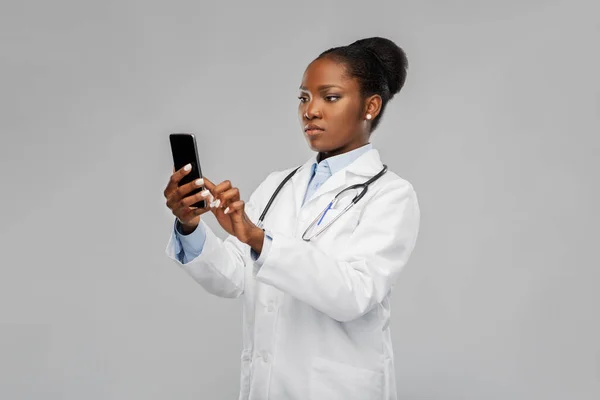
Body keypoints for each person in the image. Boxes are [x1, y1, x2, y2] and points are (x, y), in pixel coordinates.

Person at [163, 36, 420, 400]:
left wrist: (259, 240)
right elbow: (234, 278)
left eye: (329, 97)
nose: (310, 110)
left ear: (370, 106)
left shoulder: (390, 195)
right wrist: (190, 225)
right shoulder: (278, 185)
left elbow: (354, 294)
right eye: (304, 97)